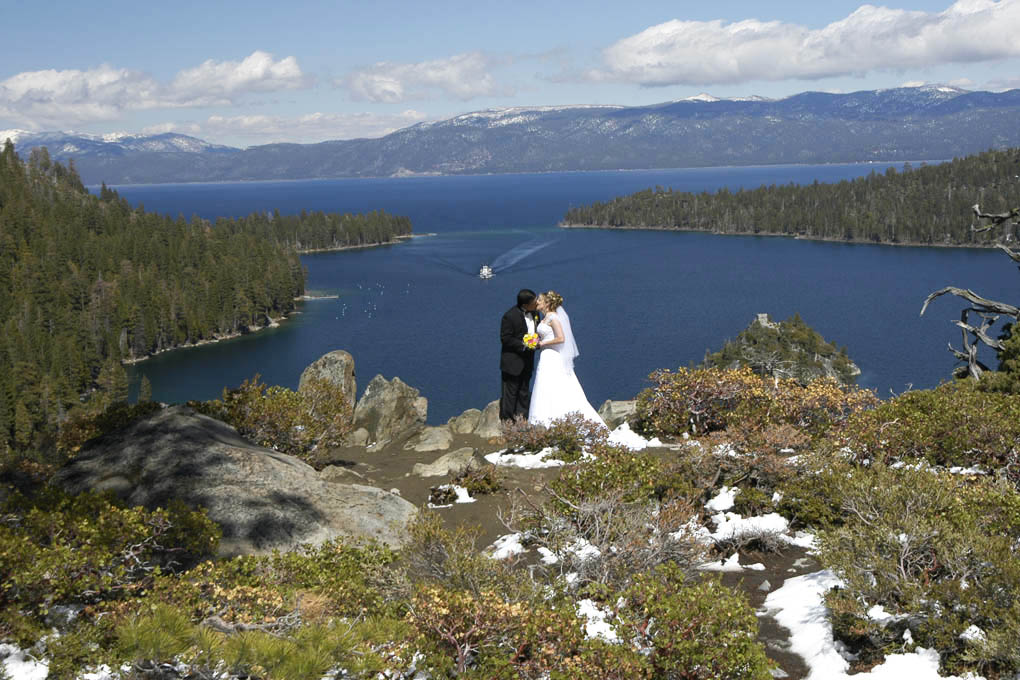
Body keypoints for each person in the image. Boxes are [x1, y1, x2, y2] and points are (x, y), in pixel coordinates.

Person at [528, 291, 607, 428]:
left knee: (553, 385)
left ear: (547, 303)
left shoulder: (553, 318)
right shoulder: (545, 318)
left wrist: (542, 344)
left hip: (552, 356)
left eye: (540, 300)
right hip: (546, 355)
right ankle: (544, 422)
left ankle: (555, 421)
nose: (537, 303)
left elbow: (561, 338)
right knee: (544, 386)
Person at [499, 288, 540, 421]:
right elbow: (506, 338)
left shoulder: (535, 314)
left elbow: (537, 330)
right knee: (510, 393)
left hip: (528, 360)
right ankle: (508, 422)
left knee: (524, 391)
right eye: (534, 302)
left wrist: (537, 341)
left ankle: (522, 419)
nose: (537, 303)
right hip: (513, 361)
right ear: (525, 304)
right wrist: (524, 345)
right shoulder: (510, 316)